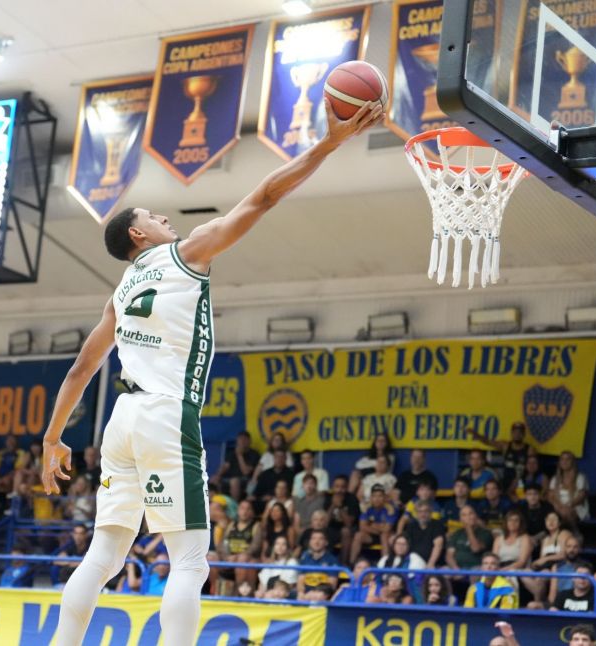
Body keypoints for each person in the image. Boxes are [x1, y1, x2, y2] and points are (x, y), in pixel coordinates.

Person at [37, 102, 383, 643]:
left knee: (104, 554)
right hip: (164, 413)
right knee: (190, 559)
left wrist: (52, 438)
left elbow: (83, 368)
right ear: (137, 236)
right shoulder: (187, 253)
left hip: (121, 420)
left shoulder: (121, 293)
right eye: (154, 217)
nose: (165, 219)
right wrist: (328, 143)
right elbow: (263, 197)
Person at [470, 422, 531, 491]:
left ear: (524, 434)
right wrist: (476, 435)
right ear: (511, 433)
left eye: (520, 432)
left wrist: (518, 479)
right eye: (515, 432)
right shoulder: (505, 446)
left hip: (522, 482)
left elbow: (532, 468)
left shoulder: (529, 449)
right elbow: (488, 442)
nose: (517, 434)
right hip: (506, 481)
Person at [211, 431, 259, 502]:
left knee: (234, 481)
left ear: (249, 441)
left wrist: (240, 455)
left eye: (244, 440)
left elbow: (246, 472)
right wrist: (218, 475)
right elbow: (225, 466)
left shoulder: (254, 454)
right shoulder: (232, 453)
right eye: (240, 440)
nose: (242, 442)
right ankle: (218, 502)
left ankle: (234, 505)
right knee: (214, 479)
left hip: (246, 479)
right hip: (229, 478)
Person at [446, 504, 493, 571]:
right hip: (457, 568)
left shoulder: (485, 533)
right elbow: (449, 556)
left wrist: (469, 529)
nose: (468, 517)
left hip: (476, 567)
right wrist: (456, 570)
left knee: (475, 572)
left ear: (476, 516)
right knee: (441, 571)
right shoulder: (457, 534)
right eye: (464, 515)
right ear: (460, 519)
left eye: (471, 513)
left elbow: (475, 549)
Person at [297, 529, 341, 601]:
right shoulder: (304, 557)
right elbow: (300, 580)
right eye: (313, 538)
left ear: (326, 542)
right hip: (306, 594)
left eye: (320, 539)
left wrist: (314, 593)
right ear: (310, 542)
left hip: (322, 595)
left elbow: (331, 585)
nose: (316, 542)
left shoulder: (332, 560)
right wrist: (300, 592)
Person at [548, 451, 589, 525]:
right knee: (555, 513)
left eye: (568, 459)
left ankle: (572, 530)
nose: (564, 461)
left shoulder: (580, 477)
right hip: (558, 506)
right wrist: (558, 506)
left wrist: (568, 505)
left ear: (573, 462)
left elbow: (581, 496)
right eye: (562, 459)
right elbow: (551, 497)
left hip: (576, 507)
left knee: (565, 512)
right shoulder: (555, 479)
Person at [404, 499, 446, 568]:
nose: (423, 514)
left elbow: (438, 545)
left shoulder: (437, 525)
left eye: (426, 511)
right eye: (420, 511)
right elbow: (406, 544)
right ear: (416, 513)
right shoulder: (411, 526)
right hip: (413, 560)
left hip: (433, 564)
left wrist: (431, 564)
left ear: (431, 512)